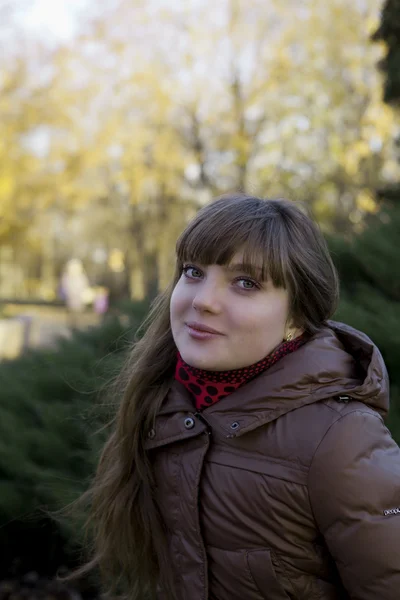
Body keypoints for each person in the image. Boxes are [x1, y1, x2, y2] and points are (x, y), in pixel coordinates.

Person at [81, 195, 400, 600]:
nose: (203, 300)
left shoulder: (341, 440)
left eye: (246, 283)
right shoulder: (163, 406)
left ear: (296, 317)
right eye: (193, 272)